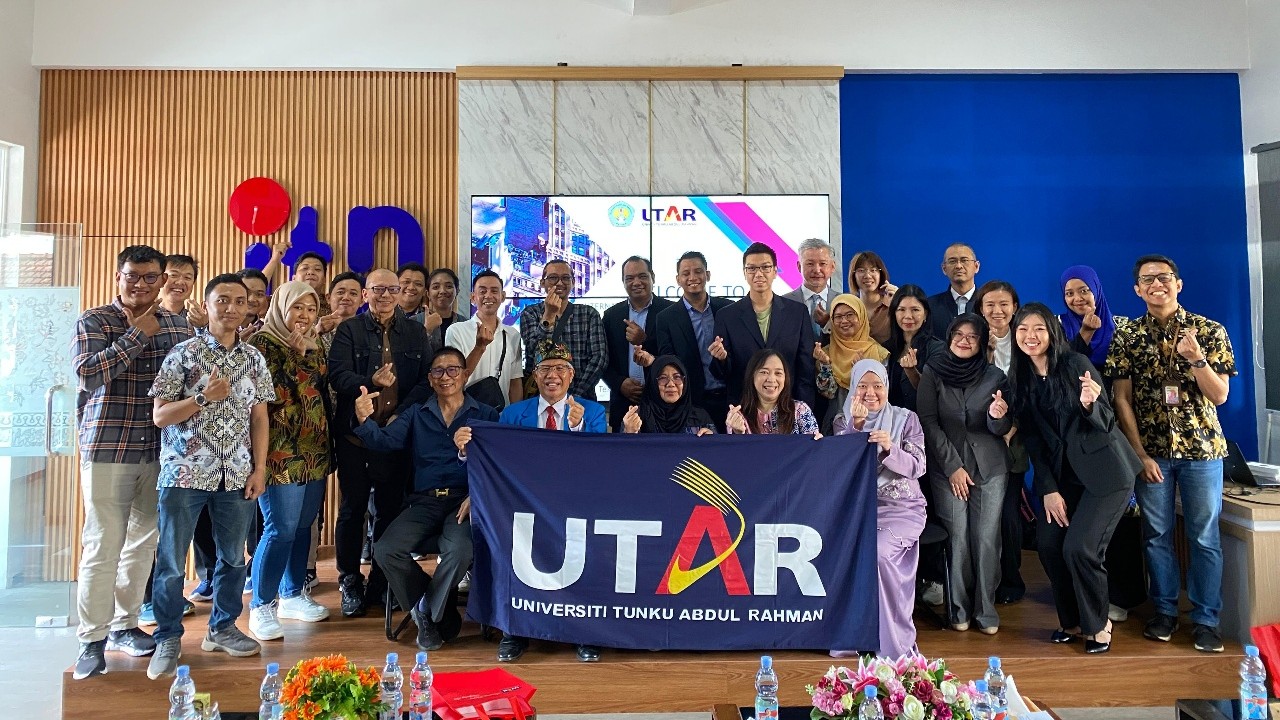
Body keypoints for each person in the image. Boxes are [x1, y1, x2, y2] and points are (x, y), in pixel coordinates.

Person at [69, 245, 193, 680]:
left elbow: (186, 384)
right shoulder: (95, 320)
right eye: (132, 276)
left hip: (161, 451)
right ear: (118, 277)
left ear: (162, 280)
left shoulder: (178, 325)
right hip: (108, 447)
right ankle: (91, 639)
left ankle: (125, 625)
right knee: (102, 545)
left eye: (149, 277)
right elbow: (87, 374)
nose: (140, 284)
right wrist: (137, 334)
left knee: (142, 545)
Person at [146, 273, 275, 679]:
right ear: (207, 305)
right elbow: (160, 415)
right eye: (222, 300)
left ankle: (222, 628)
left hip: (236, 474)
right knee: (171, 562)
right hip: (184, 473)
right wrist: (202, 398)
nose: (231, 308)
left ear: (248, 307)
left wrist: (259, 468)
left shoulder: (254, 359)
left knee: (233, 559)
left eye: (239, 301)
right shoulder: (183, 353)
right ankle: (168, 636)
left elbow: (260, 417)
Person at [1107, 254, 1235, 653]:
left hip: (1202, 451)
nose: (1156, 284)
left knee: (1204, 537)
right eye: (1147, 280)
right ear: (1137, 290)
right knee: (1156, 535)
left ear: (1178, 284)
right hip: (1153, 453)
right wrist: (1139, 454)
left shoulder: (1209, 330)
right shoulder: (1127, 335)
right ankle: (1163, 611)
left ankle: (1206, 619)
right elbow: (1121, 399)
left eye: (1164, 277)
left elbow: (1220, 394)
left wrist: (1196, 359)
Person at [1008, 303, 1141, 654]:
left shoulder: (1074, 364)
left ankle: (1098, 624)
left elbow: (1106, 420)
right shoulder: (1020, 376)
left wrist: (1089, 405)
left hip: (1106, 474)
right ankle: (1072, 621)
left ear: (1052, 332)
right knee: (1050, 546)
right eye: (1023, 329)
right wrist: (1049, 489)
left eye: (1038, 328)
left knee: (1080, 548)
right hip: (1062, 478)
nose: (1030, 336)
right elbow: (1034, 441)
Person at [356, 347, 499, 651]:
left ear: (464, 375)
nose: (445, 376)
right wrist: (364, 419)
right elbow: (385, 441)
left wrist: (478, 495)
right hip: (424, 502)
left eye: (452, 370)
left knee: (460, 551)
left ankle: (424, 610)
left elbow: (498, 465)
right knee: (385, 549)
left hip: (465, 503)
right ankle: (432, 608)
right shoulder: (416, 413)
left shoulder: (486, 414)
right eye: (438, 371)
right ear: (431, 379)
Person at [328, 268, 435, 618]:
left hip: (395, 436)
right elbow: (337, 375)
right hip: (356, 435)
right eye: (378, 289)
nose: (386, 295)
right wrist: (369, 381)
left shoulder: (415, 332)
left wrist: (400, 415)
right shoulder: (350, 329)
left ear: (401, 292)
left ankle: (380, 579)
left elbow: (425, 382)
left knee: (390, 509)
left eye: (392, 289)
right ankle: (349, 580)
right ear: (366, 294)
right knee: (353, 509)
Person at [490, 341, 606, 662]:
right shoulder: (513, 414)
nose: (552, 375)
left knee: (592, 551)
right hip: (525, 505)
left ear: (571, 375)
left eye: (560, 369)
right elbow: (500, 461)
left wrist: (578, 427)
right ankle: (514, 631)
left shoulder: (593, 412)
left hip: (576, 505)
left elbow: (601, 463)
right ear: (534, 375)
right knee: (509, 546)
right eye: (544, 369)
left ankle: (585, 632)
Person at [245, 281, 333, 642]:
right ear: (281, 307)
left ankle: (293, 594)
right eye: (297, 307)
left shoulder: (316, 344)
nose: (304, 315)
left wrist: (306, 352)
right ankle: (261, 604)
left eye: (311, 309)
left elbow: (320, 391)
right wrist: (296, 357)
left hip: (315, 449)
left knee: (303, 526)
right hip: (279, 451)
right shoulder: (262, 344)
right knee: (280, 528)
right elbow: (274, 397)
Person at [917, 313, 1012, 634]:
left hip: (990, 468)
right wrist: (953, 466)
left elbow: (1001, 427)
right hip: (948, 469)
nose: (964, 340)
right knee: (957, 538)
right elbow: (928, 422)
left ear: (982, 341)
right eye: (958, 334)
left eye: (972, 336)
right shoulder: (933, 372)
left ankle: (986, 609)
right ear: (949, 337)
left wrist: (998, 416)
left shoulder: (995, 376)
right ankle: (958, 609)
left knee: (985, 539)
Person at [1058, 264, 1144, 622]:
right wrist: (1085, 337)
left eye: (1084, 290)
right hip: (1074, 438)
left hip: (1114, 433)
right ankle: (1087, 596)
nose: (1077, 298)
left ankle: (1122, 596)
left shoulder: (1121, 327)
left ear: (1097, 290)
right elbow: (1061, 371)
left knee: (1120, 519)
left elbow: (1128, 385)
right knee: (1083, 519)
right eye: (1069, 293)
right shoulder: (1058, 328)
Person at [830, 359, 927, 659]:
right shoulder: (842, 421)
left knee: (880, 553)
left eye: (877, 386)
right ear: (852, 389)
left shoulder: (906, 419)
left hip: (901, 508)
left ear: (886, 387)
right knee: (842, 553)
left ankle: (890, 642)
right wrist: (856, 428)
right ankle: (854, 635)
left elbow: (918, 466)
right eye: (862, 386)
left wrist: (889, 449)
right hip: (857, 509)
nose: (870, 393)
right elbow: (840, 466)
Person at [973, 280, 1030, 605]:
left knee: (1008, 514)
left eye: (1003, 304)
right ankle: (981, 580)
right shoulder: (972, 341)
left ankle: (1010, 578)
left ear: (1014, 307)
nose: (997, 311)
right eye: (990, 305)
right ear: (980, 309)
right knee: (983, 516)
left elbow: (1032, 393)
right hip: (977, 442)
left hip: (1014, 443)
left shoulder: (1026, 341)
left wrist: (1012, 428)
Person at [711, 243, 817, 406]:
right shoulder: (727, 316)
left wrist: (803, 408)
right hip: (744, 407)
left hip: (788, 407)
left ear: (775, 271)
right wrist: (722, 359)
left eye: (765, 267)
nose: (758, 274)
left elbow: (806, 369)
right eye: (752, 268)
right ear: (744, 273)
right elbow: (722, 374)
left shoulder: (797, 313)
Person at [655, 251, 733, 430]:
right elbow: (669, 361)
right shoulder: (666, 318)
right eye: (686, 273)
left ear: (708, 275)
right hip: (692, 402)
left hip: (730, 398)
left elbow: (739, 353)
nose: (692, 277)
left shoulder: (728, 308)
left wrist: (724, 358)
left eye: (698, 271)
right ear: (678, 279)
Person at [519, 259, 608, 399]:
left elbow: (599, 358)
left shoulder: (588, 314)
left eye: (566, 278)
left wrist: (575, 395)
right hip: (541, 398)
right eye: (553, 278)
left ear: (573, 282)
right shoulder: (530, 313)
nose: (560, 283)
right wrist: (549, 315)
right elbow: (535, 352)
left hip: (582, 397)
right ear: (542, 283)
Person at [603, 256, 674, 431]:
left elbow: (677, 358)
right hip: (624, 404)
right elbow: (603, 360)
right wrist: (619, 383)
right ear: (623, 282)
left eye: (642, 276)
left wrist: (644, 341)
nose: (636, 282)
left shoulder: (671, 311)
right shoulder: (611, 315)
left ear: (653, 277)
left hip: (664, 402)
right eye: (629, 278)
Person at [447, 270, 525, 407]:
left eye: (494, 291)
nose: (488, 296)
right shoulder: (456, 331)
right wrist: (479, 348)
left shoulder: (512, 335)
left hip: (502, 414)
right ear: (473, 297)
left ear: (503, 296)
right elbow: (453, 378)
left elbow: (515, 382)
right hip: (466, 411)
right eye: (482, 291)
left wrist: (516, 415)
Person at [815, 294, 889, 432]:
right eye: (838, 317)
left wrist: (862, 373)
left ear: (861, 316)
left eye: (850, 315)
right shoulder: (825, 353)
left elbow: (886, 394)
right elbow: (828, 393)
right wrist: (825, 365)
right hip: (836, 426)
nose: (844, 321)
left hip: (875, 425)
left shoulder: (878, 353)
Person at [725, 348, 821, 436]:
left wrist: (817, 442)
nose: (771, 379)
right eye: (764, 372)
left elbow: (812, 446)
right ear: (752, 376)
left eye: (778, 373)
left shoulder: (800, 410)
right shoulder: (737, 416)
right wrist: (739, 433)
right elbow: (735, 448)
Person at [883, 285, 944, 412]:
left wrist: (912, 372)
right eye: (901, 310)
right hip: (891, 421)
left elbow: (936, 393)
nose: (908, 316)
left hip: (924, 421)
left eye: (915, 310)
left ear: (925, 314)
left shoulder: (938, 349)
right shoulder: (886, 349)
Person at [620, 356, 716, 435]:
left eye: (677, 377)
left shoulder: (699, 417)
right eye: (663, 378)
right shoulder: (637, 417)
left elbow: (716, 450)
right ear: (653, 383)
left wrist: (711, 440)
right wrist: (629, 433)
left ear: (685, 382)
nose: (670, 384)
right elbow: (622, 451)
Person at [783, 238, 840, 343]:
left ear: (832, 267)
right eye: (810, 264)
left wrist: (827, 324)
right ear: (799, 266)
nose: (817, 270)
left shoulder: (843, 302)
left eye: (822, 263)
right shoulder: (783, 303)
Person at [927, 243, 981, 339]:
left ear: (976, 266)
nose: (959, 266)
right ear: (944, 269)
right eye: (952, 261)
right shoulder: (930, 306)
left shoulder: (987, 304)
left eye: (964, 260)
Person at [847, 250, 897, 344]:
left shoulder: (892, 305)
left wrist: (900, 301)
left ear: (881, 274)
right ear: (853, 275)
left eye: (873, 270)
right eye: (861, 270)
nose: (867, 275)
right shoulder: (848, 308)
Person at [423, 268, 468, 351]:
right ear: (428, 293)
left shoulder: (465, 323)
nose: (442, 291)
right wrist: (427, 330)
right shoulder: (414, 321)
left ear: (457, 291)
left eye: (449, 286)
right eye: (436, 287)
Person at [236, 268, 270, 341]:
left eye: (259, 294)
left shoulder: (268, 331)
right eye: (246, 292)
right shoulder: (218, 328)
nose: (252, 299)